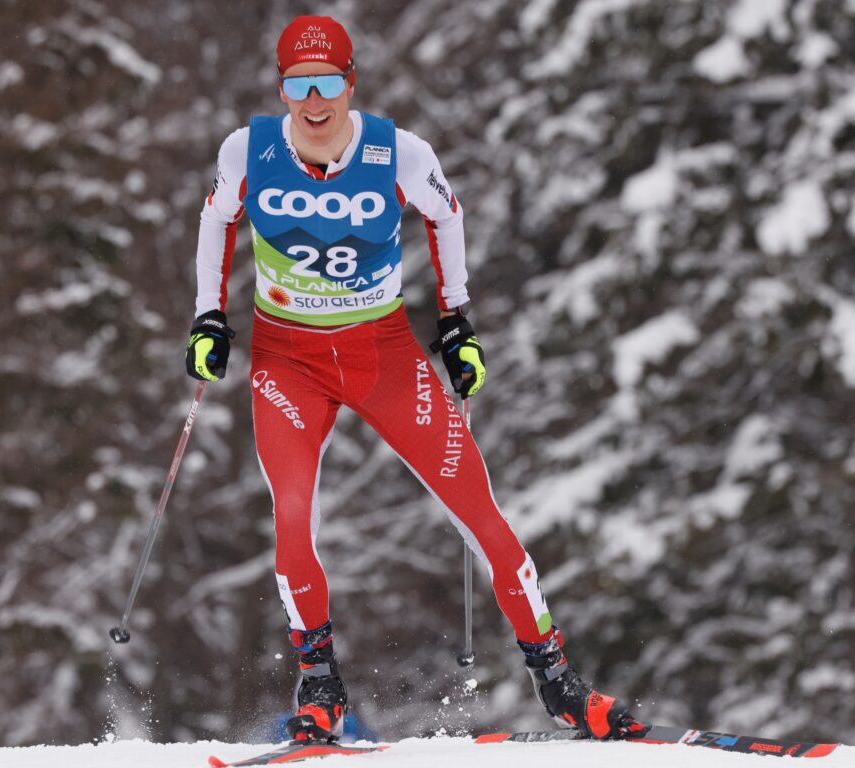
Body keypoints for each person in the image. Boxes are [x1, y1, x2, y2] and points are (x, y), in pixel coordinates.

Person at [185, 15, 644, 745]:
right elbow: (216, 221)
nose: (313, 100)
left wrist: (456, 321)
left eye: (327, 83)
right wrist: (210, 317)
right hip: (289, 361)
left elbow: (447, 215)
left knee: (482, 515)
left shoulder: (398, 152)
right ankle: (321, 687)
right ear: (282, 88)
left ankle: (559, 682)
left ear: (350, 84)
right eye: (299, 84)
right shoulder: (249, 149)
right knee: (294, 518)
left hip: (386, 356)